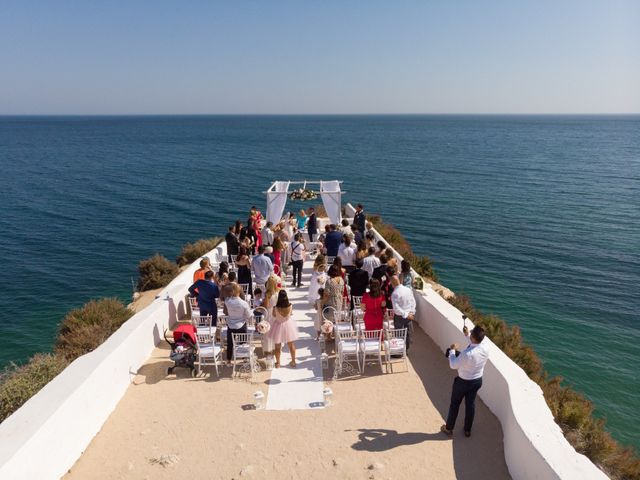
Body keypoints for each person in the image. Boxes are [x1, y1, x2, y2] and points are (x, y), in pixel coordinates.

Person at [441, 326, 489, 438]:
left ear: (473, 336)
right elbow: (476, 344)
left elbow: (453, 365)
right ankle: (467, 430)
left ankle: (449, 429)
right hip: (477, 381)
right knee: (470, 405)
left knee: (455, 404)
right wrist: (467, 335)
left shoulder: (467, 354)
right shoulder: (485, 348)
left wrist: (452, 350)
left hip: (463, 383)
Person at [268, 290, 298, 368]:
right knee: (291, 345)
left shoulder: (275, 308)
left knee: (277, 346)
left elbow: (274, 316)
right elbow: (291, 314)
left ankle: (278, 363)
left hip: (278, 326)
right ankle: (293, 361)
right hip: (288, 326)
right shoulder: (290, 306)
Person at [224, 283, 252, 362]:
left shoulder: (227, 301)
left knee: (230, 343)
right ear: (240, 291)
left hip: (231, 325)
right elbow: (249, 315)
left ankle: (229, 360)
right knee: (243, 342)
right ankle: (244, 357)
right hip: (241, 325)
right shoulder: (244, 303)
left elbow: (226, 299)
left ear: (232, 291)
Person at [390, 276, 416, 351]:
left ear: (392, 283)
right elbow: (413, 302)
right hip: (409, 315)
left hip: (399, 318)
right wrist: (411, 312)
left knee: (399, 335)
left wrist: (406, 314)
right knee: (407, 334)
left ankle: (399, 352)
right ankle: (406, 351)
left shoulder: (394, 293)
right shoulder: (408, 289)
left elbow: (396, 309)